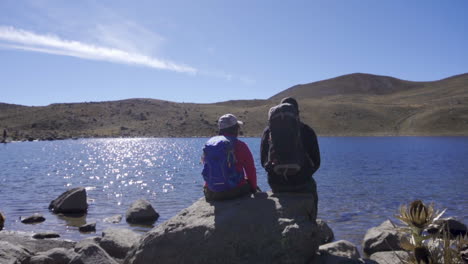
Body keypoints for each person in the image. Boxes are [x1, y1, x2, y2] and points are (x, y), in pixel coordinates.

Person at [260, 97, 320, 207]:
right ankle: (311, 221)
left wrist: (277, 173)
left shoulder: (268, 131)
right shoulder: (307, 130)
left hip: (276, 182)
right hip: (302, 183)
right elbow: (316, 162)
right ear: (297, 112)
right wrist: (302, 174)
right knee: (313, 191)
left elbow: (263, 160)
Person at [202, 114, 257, 201]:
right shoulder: (240, 145)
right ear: (235, 128)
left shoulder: (210, 144)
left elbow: (209, 168)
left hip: (212, 193)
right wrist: (253, 189)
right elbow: (250, 169)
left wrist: (208, 187)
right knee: (247, 182)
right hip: (233, 192)